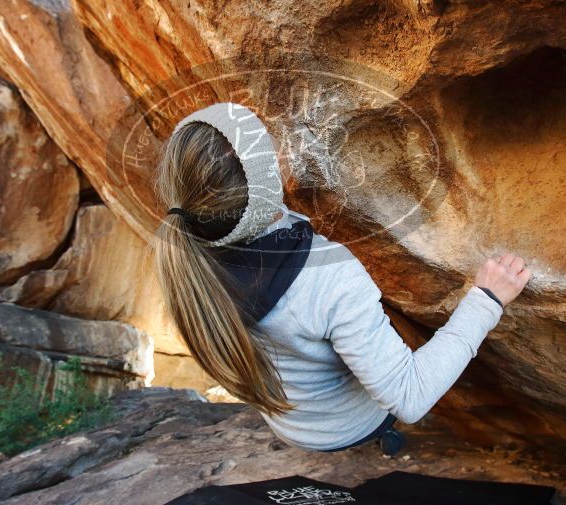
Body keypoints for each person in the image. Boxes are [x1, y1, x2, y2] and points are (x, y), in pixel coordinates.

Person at [153, 102, 531, 455]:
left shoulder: (192, 246)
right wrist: (487, 299)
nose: (281, 152)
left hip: (291, 424)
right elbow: (410, 396)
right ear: (265, 181)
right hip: (348, 428)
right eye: (268, 148)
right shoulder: (325, 275)